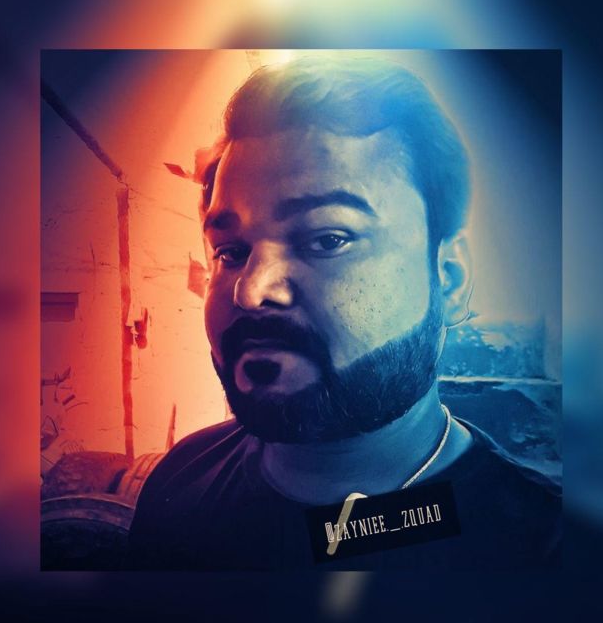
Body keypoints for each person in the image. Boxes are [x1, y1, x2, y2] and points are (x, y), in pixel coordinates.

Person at [127, 56, 560, 569]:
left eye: (328, 239)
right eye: (230, 252)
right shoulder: (179, 485)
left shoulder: (547, 548)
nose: (251, 291)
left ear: (448, 277)